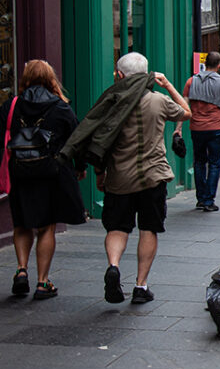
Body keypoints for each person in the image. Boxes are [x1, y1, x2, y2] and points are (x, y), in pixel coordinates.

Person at [63, 52, 190, 304]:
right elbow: (186, 113)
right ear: (147, 75)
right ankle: (141, 286)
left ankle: (114, 266)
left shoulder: (112, 103)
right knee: (148, 228)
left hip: (119, 177)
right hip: (153, 176)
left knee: (117, 228)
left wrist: (100, 174)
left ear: (119, 75)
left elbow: (99, 140)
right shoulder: (159, 101)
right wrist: (167, 85)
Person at [4, 61, 85, 300]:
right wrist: (80, 167)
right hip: (51, 173)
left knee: (21, 223)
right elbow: (75, 140)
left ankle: (21, 270)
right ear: (51, 79)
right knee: (46, 226)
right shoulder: (60, 107)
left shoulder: (11, 106)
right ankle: (42, 282)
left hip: (19, 172)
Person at [176, 52, 220, 212]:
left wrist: (178, 128)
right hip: (216, 128)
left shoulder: (191, 81)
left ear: (205, 63)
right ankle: (209, 200)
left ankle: (201, 198)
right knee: (215, 164)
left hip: (197, 128)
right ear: (219, 65)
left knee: (199, 162)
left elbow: (183, 107)